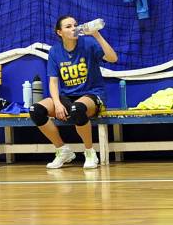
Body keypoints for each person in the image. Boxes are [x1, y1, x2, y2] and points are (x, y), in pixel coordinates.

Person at [28, 16, 117, 169]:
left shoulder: (88, 43)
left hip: (92, 94)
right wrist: (57, 103)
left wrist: (96, 35)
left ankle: (89, 152)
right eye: (68, 26)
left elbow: (113, 58)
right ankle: (62, 150)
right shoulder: (55, 51)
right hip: (67, 96)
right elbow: (53, 82)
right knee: (35, 110)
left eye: (75, 25)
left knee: (77, 109)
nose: (74, 28)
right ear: (59, 32)